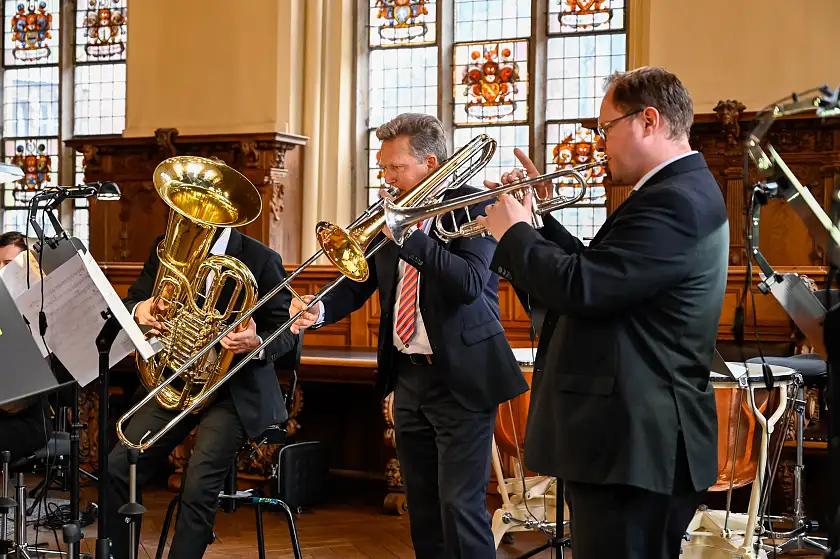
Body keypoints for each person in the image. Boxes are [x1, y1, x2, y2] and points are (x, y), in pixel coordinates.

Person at [477, 67, 728, 559]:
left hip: (635, 445)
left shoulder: (674, 201)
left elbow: (583, 287)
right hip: (629, 443)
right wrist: (540, 221)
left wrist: (515, 233)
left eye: (605, 128)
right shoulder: (674, 193)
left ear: (648, 120)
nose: (599, 144)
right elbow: (602, 273)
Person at [290, 113, 529, 558]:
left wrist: (410, 239)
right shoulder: (389, 213)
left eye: (395, 168)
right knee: (422, 509)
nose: (386, 177)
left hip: (462, 378)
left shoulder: (477, 206)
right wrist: (318, 307)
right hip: (410, 379)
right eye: (383, 168)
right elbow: (360, 281)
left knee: (460, 505)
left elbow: (470, 284)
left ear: (430, 163)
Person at [107, 225, 297, 559]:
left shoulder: (262, 259)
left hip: (234, 390)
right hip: (177, 380)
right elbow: (133, 299)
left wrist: (257, 343)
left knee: (196, 484)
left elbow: (288, 334)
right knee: (119, 466)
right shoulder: (167, 247)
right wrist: (142, 310)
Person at [0, 231, 51, 461]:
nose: (1, 271)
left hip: (25, 420)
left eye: (8, 265)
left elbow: (18, 403)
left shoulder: (37, 315)